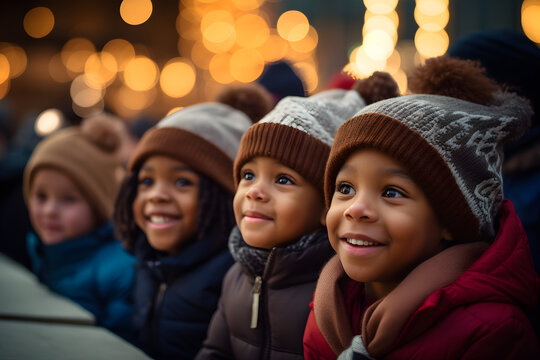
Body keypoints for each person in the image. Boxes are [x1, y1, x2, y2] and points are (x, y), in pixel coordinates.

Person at [303, 56, 540, 359]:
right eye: (345, 188)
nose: (356, 208)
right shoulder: (326, 313)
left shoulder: (492, 333)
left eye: (391, 192)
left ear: (450, 218)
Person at [196, 72, 400, 360]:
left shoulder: (342, 290)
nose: (255, 191)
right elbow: (215, 351)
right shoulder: (236, 275)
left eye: (282, 180)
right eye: (248, 175)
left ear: (325, 205)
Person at [113, 84, 273, 360]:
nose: (157, 196)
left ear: (223, 197)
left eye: (182, 182)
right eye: (147, 181)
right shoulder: (145, 258)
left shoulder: (234, 276)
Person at [22, 115, 135, 341]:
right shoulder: (43, 250)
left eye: (68, 199)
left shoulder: (120, 271)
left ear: (100, 206)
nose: (49, 210)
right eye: (41, 196)